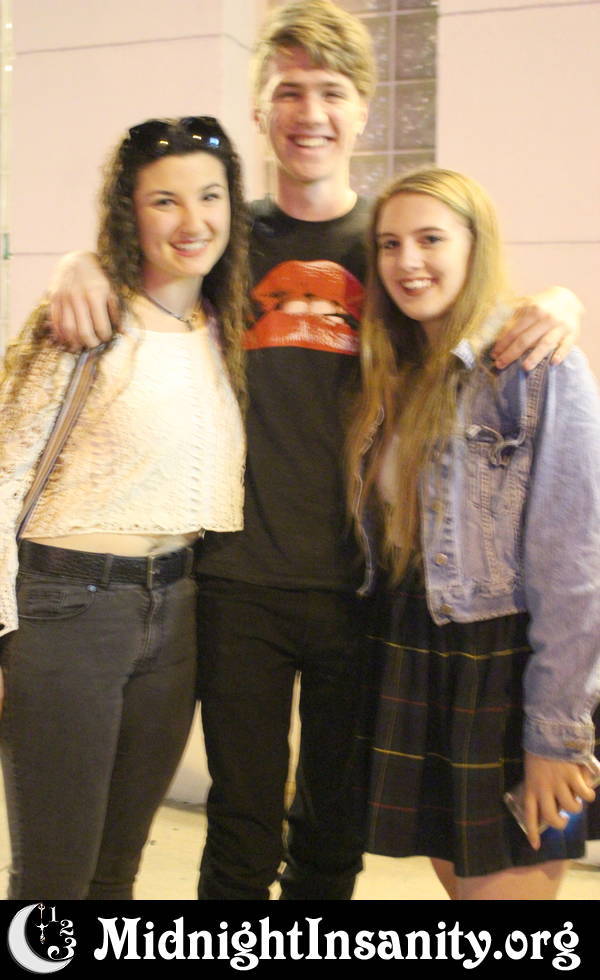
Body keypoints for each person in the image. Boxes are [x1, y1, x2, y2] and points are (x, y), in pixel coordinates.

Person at [41, 0, 583, 901]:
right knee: (241, 829)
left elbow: (471, 307)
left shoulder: (391, 241)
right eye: (289, 91)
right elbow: (144, 255)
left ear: (363, 109)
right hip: (236, 581)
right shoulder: (228, 237)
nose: (310, 112)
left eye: (331, 91)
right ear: (261, 110)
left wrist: (558, 301)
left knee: (332, 836)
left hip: (364, 586)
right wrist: (78, 262)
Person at [0, 116, 247, 900]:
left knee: (117, 871)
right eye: (164, 201)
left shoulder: (224, 327)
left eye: (209, 196)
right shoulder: (84, 317)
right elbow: (4, 475)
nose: (192, 220)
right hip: (69, 608)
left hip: (176, 610)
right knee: (54, 877)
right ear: (129, 212)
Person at [347, 167, 600, 901]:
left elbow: (575, 564)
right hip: (416, 649)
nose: (408, 261)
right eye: (390, 244)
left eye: (431, 239)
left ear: (474, 245)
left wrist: (555, 736)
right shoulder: (397, 368)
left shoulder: (536, 364)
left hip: (506, 666)